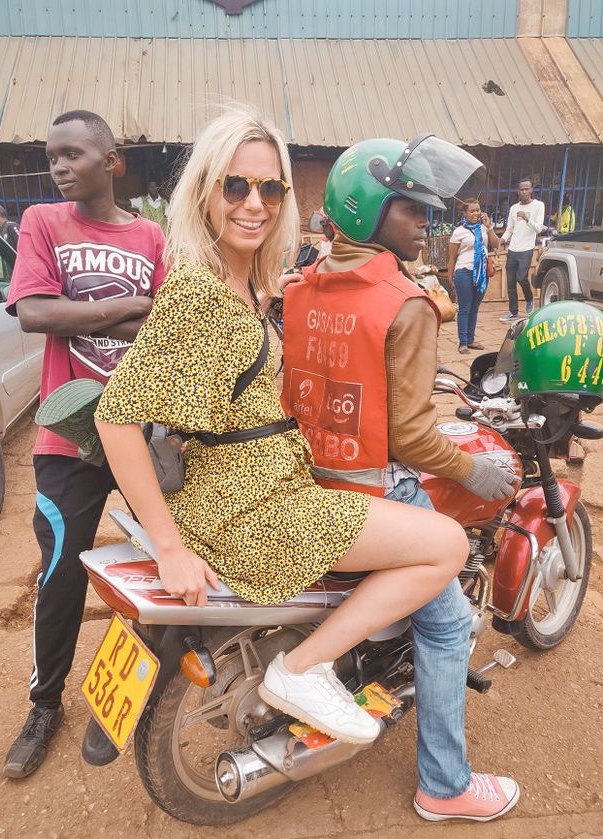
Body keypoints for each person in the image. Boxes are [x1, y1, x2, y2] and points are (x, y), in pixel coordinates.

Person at [93, 106, 485, 786]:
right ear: (206, 190)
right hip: (252, 511)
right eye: (236, 186)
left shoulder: (248, 283)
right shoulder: (199, 293)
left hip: (266, 484)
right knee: (447, 543)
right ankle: (301, 669)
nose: (254, 203)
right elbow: (115, 417)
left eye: (270, 189)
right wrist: (172, 546)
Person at [281, 136, 520, 822]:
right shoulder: (406, 302)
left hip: (308, 478)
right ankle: (444, 785)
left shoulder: (302, 285)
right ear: (368, 211)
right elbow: (413, 437)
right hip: (375, 486)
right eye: (411, 209)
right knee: (449, 622)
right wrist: (476, 468)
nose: (427, 222)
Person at [2, 109, 166, 779]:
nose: (59, 165)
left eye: (73, 153)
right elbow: (35, 313)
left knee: (160, 564)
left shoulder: (151, 234)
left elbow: (164, 325)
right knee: (61, 574)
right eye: (52, 156)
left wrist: (86, 311)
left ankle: (124, 688)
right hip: (65, 438)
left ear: (113, 161)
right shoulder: (43, 222)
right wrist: (122, 309)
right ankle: (45, 704)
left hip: (141, 432)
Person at [448, 198, 500, 353]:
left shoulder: (484, 228)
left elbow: (496, 244)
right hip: (464, 271)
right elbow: (452, 258)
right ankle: (462, 342)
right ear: (465, 213)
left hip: (481, 273)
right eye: (472, 210)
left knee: (475, 307)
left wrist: (489, 226)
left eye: (478, 210)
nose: (476, 213)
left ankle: (471, 340)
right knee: (465, 307)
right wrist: (451, 277)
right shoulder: (459, 232)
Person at [499, 178, 544, 321]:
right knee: (511, 281)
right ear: (518, 191)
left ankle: (529, 298)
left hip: (527, 248)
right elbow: (510, 229)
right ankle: (513, 311)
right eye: (521, 189)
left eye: (527, 189)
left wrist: (526, 218)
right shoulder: (513, 208)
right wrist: (503, 240)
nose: (524, 192)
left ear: (531, 190)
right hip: (513, 248)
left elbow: (538, 228)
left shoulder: (538, 206)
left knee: (521, 278)